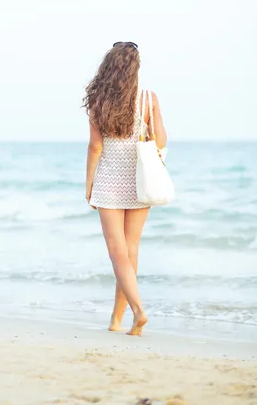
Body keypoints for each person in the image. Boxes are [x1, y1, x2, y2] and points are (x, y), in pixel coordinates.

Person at [83, 42, 167, 336]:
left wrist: (89, 184)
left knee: (117, 253)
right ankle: (118, 321)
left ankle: (139, 311)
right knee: (130, 251)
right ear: (135, 69)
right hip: (139, 179)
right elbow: (161, 141)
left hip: (108, 181)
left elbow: (95, 147)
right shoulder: (148, 99)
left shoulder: (99, 102)